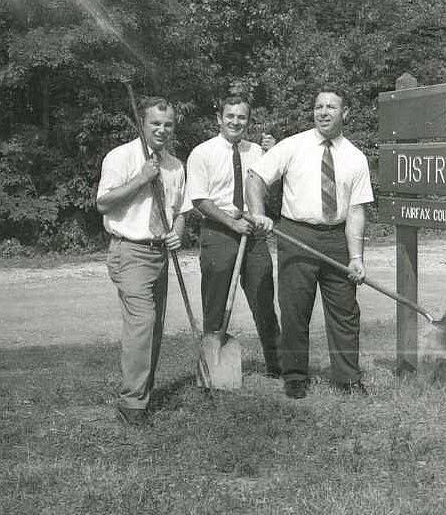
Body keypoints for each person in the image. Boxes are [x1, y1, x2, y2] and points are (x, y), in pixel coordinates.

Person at [246, 86, 374, 399]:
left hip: (336, 239)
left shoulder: (355, 158)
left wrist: (356, 257)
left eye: (331, 107)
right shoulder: (293, 146)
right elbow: (255, 177)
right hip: (296, 235)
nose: (324, 112)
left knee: (345, 312)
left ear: (345, 113)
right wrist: (259, 213)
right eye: (319, 106)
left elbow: (357, 211)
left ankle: (347, 379)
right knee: (294, 310)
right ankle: (295, 378)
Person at [97, 96, 192, 427]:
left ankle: (142, 394)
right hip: (129, 250)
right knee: (142, 324)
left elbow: (180, 211)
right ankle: (132, 406)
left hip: (159, 253)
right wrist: (140, 179)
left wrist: (177, 233)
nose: (162, 130)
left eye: (168, 124)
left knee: (154, 328)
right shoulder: (120, 157)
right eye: (155, 123)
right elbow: (103, 204)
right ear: (142, 124)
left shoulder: (176, 166)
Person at [185, 94, 281, 377]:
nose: (236, 121)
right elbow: (200, 200)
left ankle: (277, 366)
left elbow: (269, 190)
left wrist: (274, 156)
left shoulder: (257, 152)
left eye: (242, 117)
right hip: (218, 234)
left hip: (253, 235)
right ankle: (212, 371)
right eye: (230, 116)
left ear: (248, 121)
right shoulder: (202, 153)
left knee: (263, 299)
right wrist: (231, 223)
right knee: (215, 304)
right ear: (219, 118)